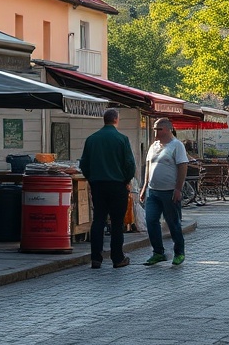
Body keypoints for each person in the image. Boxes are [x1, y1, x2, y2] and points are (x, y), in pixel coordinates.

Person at [78, 108, 136, 269]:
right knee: (117, 223)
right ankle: (117, 258)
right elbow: (130, 164)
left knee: (98, 220)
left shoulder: (92, 139)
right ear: (116, 120)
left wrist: (91, 178)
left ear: (104, 120)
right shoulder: (122, 139)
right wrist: (127, 179)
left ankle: (96, 258)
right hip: (117, 185)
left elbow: (83, 163)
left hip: (98, 184)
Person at [139, 118, 188, 266]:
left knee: (173, 223)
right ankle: (158, 252)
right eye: (155, 129)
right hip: (153, 192)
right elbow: (148, 166)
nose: (156, 132)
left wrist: (178, 188)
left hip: (169, 192)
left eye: (159, 129)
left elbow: (182, 167)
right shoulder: (154, 146)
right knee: (151, 220)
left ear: (168, 129)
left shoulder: (176, 146)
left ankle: (179, 252)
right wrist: (144, 186)